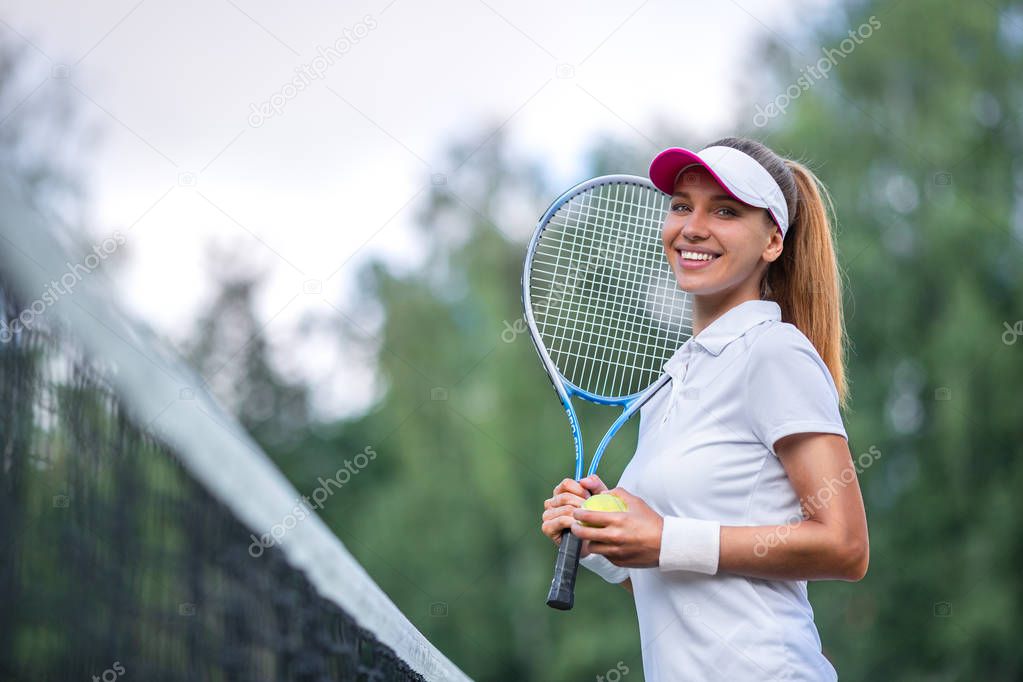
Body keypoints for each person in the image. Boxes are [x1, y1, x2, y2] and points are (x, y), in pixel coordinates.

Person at [540, 137, 869, 681]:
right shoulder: (668, 386)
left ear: (772, 242)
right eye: (681, 205)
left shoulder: (774, 352)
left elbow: (846, 546)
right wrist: (604, 537)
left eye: (725, 210)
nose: (693, 226)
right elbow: (683, 582)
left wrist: (663, 536)